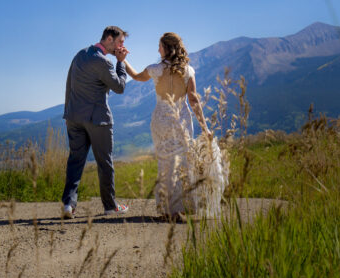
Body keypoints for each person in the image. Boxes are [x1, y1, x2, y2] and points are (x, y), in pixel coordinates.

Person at [124, 32, 228, 220]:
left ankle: (167, 210)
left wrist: (123, 60)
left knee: (165, 162)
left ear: (167, 48)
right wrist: (205, 127)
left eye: (160, 46)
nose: (158, 49)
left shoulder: (154, 69)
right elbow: (194, 99)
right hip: (182, 119)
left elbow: (136, 76)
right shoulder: (188, 71)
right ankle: (180, 208)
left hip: (161, 119)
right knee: (182, 163)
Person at [61, 26, 131, 219]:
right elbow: (119, 87)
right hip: (98, 120)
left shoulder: (80, 55)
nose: (122, 46)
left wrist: (67, 113)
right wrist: (121, 63)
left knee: (75, 161)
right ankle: (110, 206)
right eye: (120, 42)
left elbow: (69, 84)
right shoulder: (104, 62)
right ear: (109, 39)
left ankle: (68, 205)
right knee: (105, 163)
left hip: (74, 117)